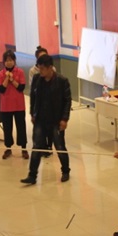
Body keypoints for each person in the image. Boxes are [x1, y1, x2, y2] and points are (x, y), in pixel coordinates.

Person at [21, 54, 71, 184]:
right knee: (37, 147)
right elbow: (33, 98)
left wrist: (64, 119)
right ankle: (32, 175)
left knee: (60, 146)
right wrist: (33, 113)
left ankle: (66, 171)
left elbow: (67, 101)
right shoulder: (37, 79)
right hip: (40, 119)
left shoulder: (62, 81)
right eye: (39, 68)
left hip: (56, 120)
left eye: (42, 68)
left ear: (50, 68)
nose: (40, 71)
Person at [0, 50, 28, 159]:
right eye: (7, 60)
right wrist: (6, 78)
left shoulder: (20, 72)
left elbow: (21, 87)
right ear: (4, 62)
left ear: (14, 60)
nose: (9, 62)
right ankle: (8, 148)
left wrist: (12, 79)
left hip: (19, 105)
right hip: (6, 106)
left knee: (21, 127)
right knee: (7, 128)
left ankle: (24, 148)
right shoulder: (0, 74)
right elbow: (1, 89)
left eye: (11, 60)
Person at [28, 46, 53, 157]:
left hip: (51, 110)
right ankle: (40, 150)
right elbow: (33, 94)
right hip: (39, 111)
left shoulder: (55, 74)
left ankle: (49, 146)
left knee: (52, 133)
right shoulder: (34, 74)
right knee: (38, 136)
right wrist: (32, 113)